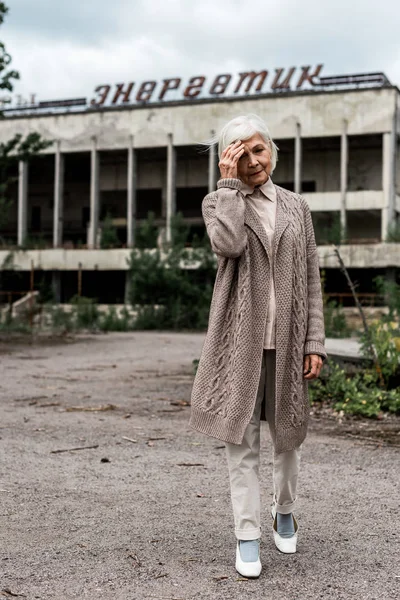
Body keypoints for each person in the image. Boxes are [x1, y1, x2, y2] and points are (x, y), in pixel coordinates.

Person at [189, 114, 327, 578]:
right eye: (240, 153)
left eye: (258, 150)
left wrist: (315, 341)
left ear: (272, 149)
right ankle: (247, 535)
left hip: (287, 345)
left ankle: (283, 509)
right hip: (239, 345)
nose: (252, 162)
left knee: (289, 439)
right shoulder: (218, 203)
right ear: (229, 160)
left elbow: (311, 279)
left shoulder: (295, 207)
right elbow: (227, 245)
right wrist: (227, 187)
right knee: (242, 443)